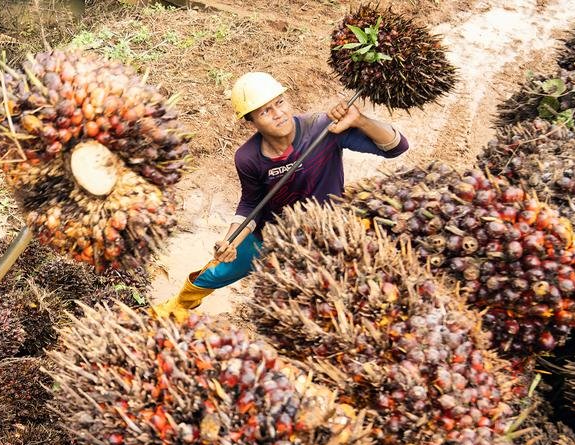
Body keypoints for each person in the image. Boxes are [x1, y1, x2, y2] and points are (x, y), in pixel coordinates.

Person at [153, 71, 410, 320]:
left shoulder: (322, 130)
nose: (279, 114)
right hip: (271, 235)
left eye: (280, 102)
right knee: (212, 274)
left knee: (319, 295)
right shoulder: (248, 157)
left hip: (325, 236)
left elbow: (396, 147)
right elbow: (251, 204)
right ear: (251, 121)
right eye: (265, 111)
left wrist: (360, 120)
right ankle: (177, 306)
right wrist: (230, 240)